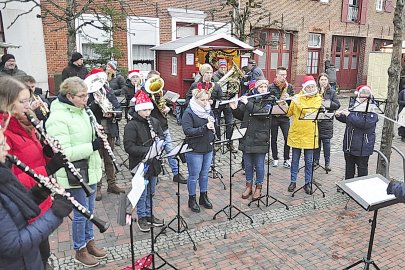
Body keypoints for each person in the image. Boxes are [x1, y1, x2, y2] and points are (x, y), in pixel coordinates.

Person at [0, 76, 67, 268]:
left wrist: (47, 153)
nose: (28, 105)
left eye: (28, 100)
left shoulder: (27, 124)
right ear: (5, 103)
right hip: (21, 209)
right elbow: (11, 181)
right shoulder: (4, 133)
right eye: (22, 101)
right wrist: (47, 169)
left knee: (41, 253)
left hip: (35, 199)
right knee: (36, 253)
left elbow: (33, 158)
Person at [45, 77, 106, 267]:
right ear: (69, 96)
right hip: (75, 173)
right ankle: (79, 250)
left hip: (90, 168)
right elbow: (64, 153)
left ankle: (89, 242)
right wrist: (92, 145)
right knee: (81, 214)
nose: (86, 99)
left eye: (86, 95)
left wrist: (98, 133)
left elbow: (87, 136)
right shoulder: (57, 118)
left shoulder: (83, 111)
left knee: (90, 211)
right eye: (81, 96)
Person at [123, 90, 165, 232]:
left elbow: (161, 137)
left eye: (149, 109)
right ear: (139, 110)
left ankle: (149, 214)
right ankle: (142, 217)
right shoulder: (131, 125)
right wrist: (146, 151)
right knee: (141, 191)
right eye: (145, 110)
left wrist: (159, 143)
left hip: (153, 163)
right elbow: (128, 146)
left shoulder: (154, 122)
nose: (148, 112)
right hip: (139, 164)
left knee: (151, 191)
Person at [138, 70, 187, 184]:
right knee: (154, 153)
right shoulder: (143, 94)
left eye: (158, 80)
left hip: (164, 126)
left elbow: (167, 104)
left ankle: (176, 173)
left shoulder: (159, 92)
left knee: (170, 150)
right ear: (148, 80)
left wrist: (168, 109)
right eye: (154, 80)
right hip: (152, 128)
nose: (157, 83)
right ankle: (154, 174)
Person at [229, 80, 272, 200]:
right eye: (261, 87)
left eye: (265, 86)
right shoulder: (250, 98)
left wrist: (247, 102)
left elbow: (263, 114)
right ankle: (248, 185)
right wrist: (234, 108)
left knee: (259, 165)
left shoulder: (269, 100)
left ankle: (258, 187)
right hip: (247, 135)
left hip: (260, 137)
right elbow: (241, 115)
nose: (263, 89)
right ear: (256, 88)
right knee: (248, 164)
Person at [86, 68, 124, 201]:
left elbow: (118, 107)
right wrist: (96, 103)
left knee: (109, 159)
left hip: (109, 129)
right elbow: (87, 111)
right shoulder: (88, 93)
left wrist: (114, 113)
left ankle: (111, 184)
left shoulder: (108, 91)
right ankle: (97, 187)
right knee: (97, 161)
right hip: (96, 131)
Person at [286, 75, 322, 194]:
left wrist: (298, 103)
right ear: (305, 88)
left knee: (309, 161)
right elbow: (289, 113)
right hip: (297, 132)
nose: (311, 89)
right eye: (309, 87)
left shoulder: (318, 98)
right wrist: (289, 102)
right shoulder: (298, 97)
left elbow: (310, 111)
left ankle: (308, 183)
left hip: (310, 134)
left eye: (313, 87)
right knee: (295, 160)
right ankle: (293, 181)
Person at [182, 88, 216, 213]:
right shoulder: (189, 112)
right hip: (194, 148)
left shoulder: (208, 110)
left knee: (204, 174)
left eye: (207, 99)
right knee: (194, 175)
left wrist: (213, 124)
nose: (205, 102)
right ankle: (192, 199)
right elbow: (188, 131)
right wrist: (204, 127)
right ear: (196, 99)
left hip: (208, 146)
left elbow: (213, 123)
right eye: (202, 100)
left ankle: (203, 196)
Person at [335, 85, 378, 181]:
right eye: (362, 94)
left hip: (363, 145)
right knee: (349, 168)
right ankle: (348, 187)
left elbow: (365, 123)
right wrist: (339, 116)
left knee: (362, 169)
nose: (364, 96)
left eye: (366, 94)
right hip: (349, 144)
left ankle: (361, 189)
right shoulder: (354, 105)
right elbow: (348, 120)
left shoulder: (373, 108)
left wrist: (349, 115)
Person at [268, 66, 295, 168]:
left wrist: (289, 98)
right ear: (277, 75)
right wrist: (277, 99)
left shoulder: (289, 86)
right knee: (273, 138)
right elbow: (268, 99)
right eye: (282, 75)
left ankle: (286, 158)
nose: (284, 77)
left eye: (285, 75)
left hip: (284, 116)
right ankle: (275, 158)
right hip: (274, 116)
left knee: (287, 137)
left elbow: (293, 99)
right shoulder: (271, 87)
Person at [313, 73, 340, 171]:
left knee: (326, 142)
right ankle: (316, 161)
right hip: (316, 120)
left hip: (327, 120)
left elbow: (337, 105)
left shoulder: (332, 92)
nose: (323, 82)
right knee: (316, 142)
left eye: (325, 80)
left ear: (327, 81)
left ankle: (327, 163)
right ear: (318, 81)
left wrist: (326, 102)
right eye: (321, 80)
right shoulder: (315, 91)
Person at [212, 59, 236, 153]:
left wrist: (232, 93)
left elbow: (234, 89)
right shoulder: (214, 76)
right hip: (217, 103)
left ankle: (229, 142)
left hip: (227, 102)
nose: (223, 68)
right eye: (221, 67)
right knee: (216, 123)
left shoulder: (230, 76)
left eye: (224, 67)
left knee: (230, 123)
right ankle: (218, 141)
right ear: (218, 67)